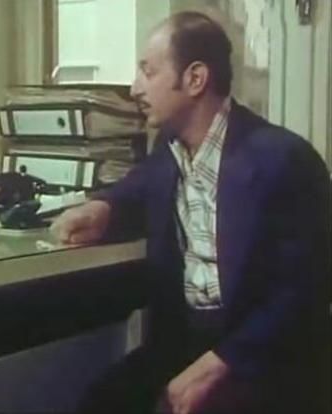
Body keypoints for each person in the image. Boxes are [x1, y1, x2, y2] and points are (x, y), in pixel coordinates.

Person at [51, 11, 331, 414]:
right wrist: (102, 207)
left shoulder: (284, 159)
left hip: (261, 356)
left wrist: (219, 365)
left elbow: (304, 292)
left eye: (148, 72)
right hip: (184, 342)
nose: (135, 88)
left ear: (195, 79)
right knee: (100, 402)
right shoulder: (169, 149)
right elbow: (139, 186)